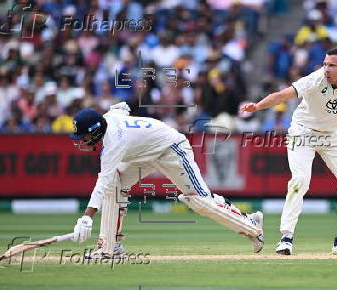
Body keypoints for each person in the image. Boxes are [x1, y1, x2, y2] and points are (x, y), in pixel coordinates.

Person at [240, 48, 337, 255]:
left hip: (332, 134)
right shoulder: (315, 79)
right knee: (300, 180)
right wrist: (257, 106)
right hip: (302, 133)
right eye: (325, 64)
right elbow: (282, 95)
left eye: (332, 65)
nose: (326, 68)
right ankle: (286, 238)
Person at [70, 102, 264, 257]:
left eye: (84, 136)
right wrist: (122, 109)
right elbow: (121, 107)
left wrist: (87, 217)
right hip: (145, 153)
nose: (82, 141)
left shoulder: (113, 143)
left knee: (201, 201)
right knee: (115, 182)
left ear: (96, 131)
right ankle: (110, 247)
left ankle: (252, 226)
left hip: (172, 148)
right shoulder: (108, 118)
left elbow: (101, 183)